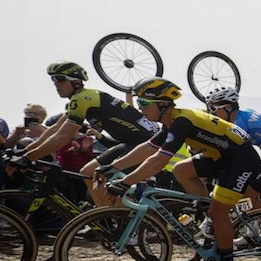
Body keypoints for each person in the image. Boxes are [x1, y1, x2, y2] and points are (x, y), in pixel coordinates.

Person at [99, 77, 261, 261]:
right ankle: (208, 214)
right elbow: (148, 148)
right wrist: (113, 166)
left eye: (144, 103)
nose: (140, 109)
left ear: (163, 105)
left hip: (241, 160)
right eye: (139, 103)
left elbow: (159, 160)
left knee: (218, 212)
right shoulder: (172, 121)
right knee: (181, 169)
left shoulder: (181, 122)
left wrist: (125, 182)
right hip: (221, 157)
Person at [18, 62, 157, 206]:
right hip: (132, 142)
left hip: (144, 143)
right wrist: (25, 152)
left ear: (76, 82)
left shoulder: (82, 98)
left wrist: (27, 158)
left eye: (60, 79)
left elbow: (62, 137)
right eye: (53, 79)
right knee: (88, 172)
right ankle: (107, 214)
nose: (56, 83)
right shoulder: (84, 98)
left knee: (109, 183)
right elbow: (55, 129)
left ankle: (119, 215)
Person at [189, 87, 261, 219]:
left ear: (228, 108)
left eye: (213, 108)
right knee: (242, 194)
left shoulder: (239, 124)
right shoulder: (244, 115)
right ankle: (254, 226)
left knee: (245, 195)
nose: (211, 113)